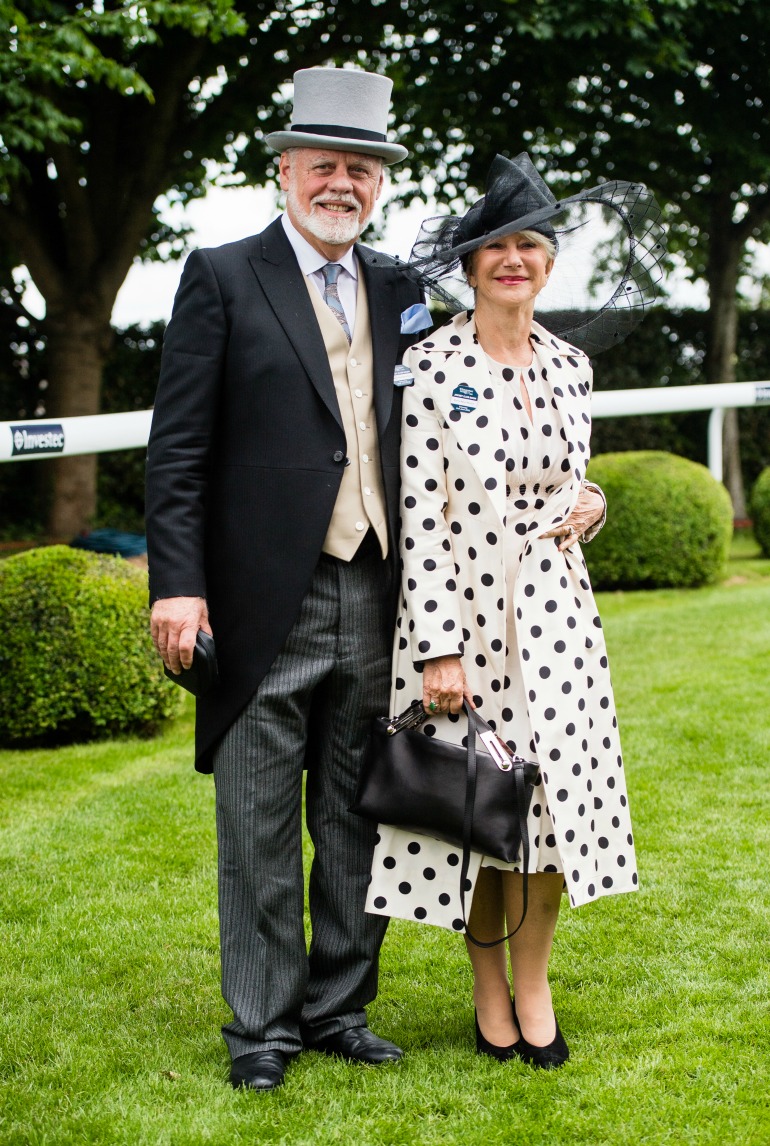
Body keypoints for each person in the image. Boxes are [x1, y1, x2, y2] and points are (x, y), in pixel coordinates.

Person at [145, 66, 425, 1092]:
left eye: (360, 167)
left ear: (379, 183)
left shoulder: (404, 288)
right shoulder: (221, 275)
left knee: (359, 817)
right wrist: (177, 585)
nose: (340, 182)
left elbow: (449, 427)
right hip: (264, 595)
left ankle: (338, 1007)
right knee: (257, 825)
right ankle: (260, 1026)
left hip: (382, 590)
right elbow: (175, 451)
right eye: (323, 164)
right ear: (284, 170)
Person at [367, 153, 665, 1067]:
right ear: (469, 264)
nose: (514, 260)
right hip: (470, 624)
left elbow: (572, 484)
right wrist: (438, 649)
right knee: (482, 813)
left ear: (547, 263)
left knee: (550, 817)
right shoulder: (429, 364)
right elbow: (420, 515)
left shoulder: (573, 367)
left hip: (563, 625)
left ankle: (533, 982)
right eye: (497, 246)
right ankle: (486, 986)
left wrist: (597, 505)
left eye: (531, 245)